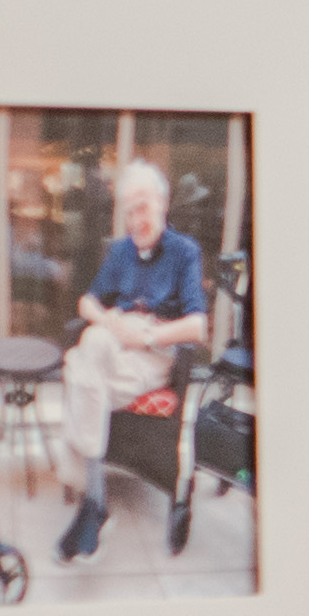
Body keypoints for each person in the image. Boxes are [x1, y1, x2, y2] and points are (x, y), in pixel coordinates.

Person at [55, 154, 211, 563]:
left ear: (162, 202)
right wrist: (111, 320)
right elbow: (86, 301)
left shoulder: (184, 253)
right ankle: (95, 505)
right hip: (114, 339)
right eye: (128, 211)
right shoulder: (121, 252)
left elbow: (197, 327)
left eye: (142, 207)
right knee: (91, 344)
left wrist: (147, 334)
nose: (135, 219)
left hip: (152, 351)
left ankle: (93, 504)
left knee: (78, 374)